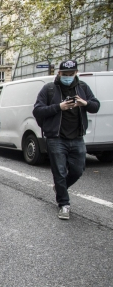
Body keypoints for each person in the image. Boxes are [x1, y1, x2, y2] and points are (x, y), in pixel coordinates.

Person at [33, 59, 100, 220]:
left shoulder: (82, 87)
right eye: (65, 74)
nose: (68, 77)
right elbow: (38, 110)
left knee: (78, 170)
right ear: (59, 73)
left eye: (71, 74)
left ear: (76, 73)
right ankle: (64, 204)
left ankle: (59, 188)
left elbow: (96, 106)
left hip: (77, 137)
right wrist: (59, 107)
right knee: (60, 172)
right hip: (56, 138)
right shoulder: (49, 89)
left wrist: (85, 103)